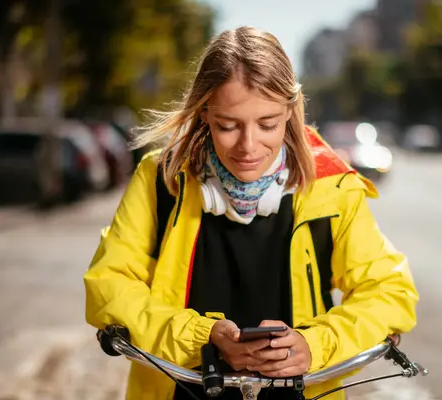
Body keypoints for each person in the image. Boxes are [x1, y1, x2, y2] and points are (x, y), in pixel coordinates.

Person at [84, 26, 419, 400]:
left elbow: (390, 291)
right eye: (228, 126)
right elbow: (108, 285)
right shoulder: (160, 179)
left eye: (267, 124)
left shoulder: (332, 186)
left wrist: (316, 345)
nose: (248, 146)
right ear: (204, 114)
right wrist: (203, 337)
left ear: (291, 113)